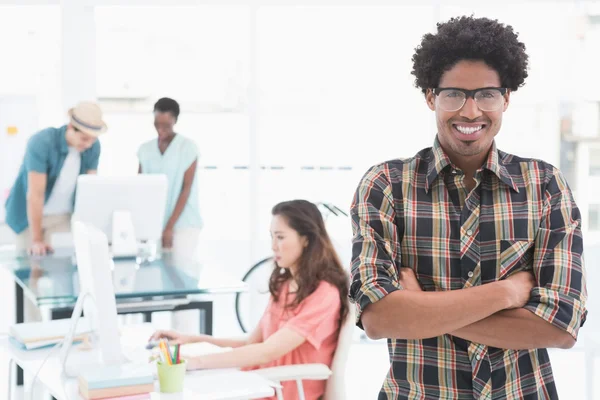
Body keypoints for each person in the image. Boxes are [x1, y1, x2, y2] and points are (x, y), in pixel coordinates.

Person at [349, 16, 587, 400]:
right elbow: (378, 318)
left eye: (487, 94)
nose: (472, 112)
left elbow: (560, 327)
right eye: (454, 94)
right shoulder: (386, 185)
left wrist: (421, 309)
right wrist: (507, 293)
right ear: (431, 97)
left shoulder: (544, 185)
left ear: (506, 98)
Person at [150, 200, 349, 400]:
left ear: (306, 240)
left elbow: (266, 352)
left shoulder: (324, 294)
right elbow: (251, 342)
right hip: (259, 383)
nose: (273, 246)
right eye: (271, 237)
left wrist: (194, 362)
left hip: (283, 391)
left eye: (280, 237)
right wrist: (192, 339)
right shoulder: (284, 285)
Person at [5, 101, 106, 256]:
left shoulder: (93, 146)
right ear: (71, 127)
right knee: (29, 270)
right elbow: (35, 194)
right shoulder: (42, 142)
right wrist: (37, 240)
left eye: (93, 139)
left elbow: (89, 190)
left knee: (60, 269)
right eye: (85, 139)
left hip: (61, 217)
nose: (88, 144)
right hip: (27, 217)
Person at [137, 97, 202, 258]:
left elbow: (186, 189)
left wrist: (169, 227)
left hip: (184, 224)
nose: (160, 129)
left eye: (166, 125)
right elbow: (139, 187)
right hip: (154, 224)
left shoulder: (187, 147)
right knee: (157, 276)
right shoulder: (145, 150)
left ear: (175, 120)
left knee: (182, 274)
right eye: (157, 124)